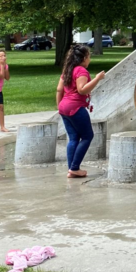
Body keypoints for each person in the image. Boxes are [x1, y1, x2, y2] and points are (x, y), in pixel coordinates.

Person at [56, 43, 105, 178]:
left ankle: (72, 169)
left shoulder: (67, 70)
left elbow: (59, 90)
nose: (89, 59)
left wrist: (60, 107)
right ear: (83, 57)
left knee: (73, 138)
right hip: (75, 107)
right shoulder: (81, 71)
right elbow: (82, 89)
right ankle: (75, 168)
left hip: (64, 107)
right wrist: (97, 79)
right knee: (88, 136)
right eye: (89, 56)